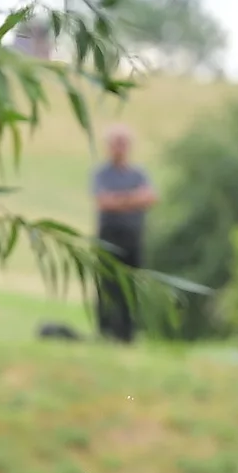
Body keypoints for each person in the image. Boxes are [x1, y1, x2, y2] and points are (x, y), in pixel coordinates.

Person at [92, 125, 156, 342]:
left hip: (133, 237)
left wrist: (119, 200)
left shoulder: (139, 173)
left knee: (131, 285)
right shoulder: (101, 174)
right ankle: (106, 330)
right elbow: (103, 202)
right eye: (115, 143)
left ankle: (128, 333)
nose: (119, 148)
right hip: (109, 236)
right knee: (108, 285)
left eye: (123, 143)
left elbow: (150, 198)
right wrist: (132, 199)